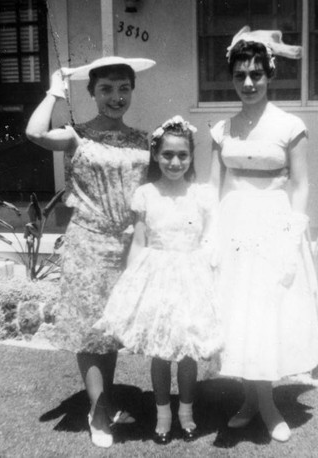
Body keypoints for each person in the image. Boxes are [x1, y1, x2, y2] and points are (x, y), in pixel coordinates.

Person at [25, 56, 155, 448]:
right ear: (92, 93)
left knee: (111, 328)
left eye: (123, 89)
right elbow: (33, 132)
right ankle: (98, 412)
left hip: (128, 244)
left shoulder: (143, 139)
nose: (116, 97)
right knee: (90, 329)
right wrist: (53, 90)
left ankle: (105, 399)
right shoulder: (77, 135)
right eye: (106, 89)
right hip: (88, 241)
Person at [209, 27, 318, 443]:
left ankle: (268, 404)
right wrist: (210, 235)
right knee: (240, 315)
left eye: (256, 74)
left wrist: (293, 235)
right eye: (240, 75)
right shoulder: (222, 130)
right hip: (234, 226)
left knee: (266, 314)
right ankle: (251, 400)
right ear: (233, 78)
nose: (249, 83)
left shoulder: (290, 125)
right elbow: (214, 187)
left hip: (274, 224)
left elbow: (302, 184)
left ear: (270, 74)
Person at [94, 116, 222, 445]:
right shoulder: (147, 194)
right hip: (157, 278)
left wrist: (208, 269)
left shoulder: (202, 194)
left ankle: (186, 413)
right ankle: (163, 415)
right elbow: (139, 241)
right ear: (155, 155)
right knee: (161, 351)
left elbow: (209, 238)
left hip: (191, 277)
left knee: (188, 350)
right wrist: (132, 284)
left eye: (182, 155)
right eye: (167, 155)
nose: (175, 162)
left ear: (192, 157)